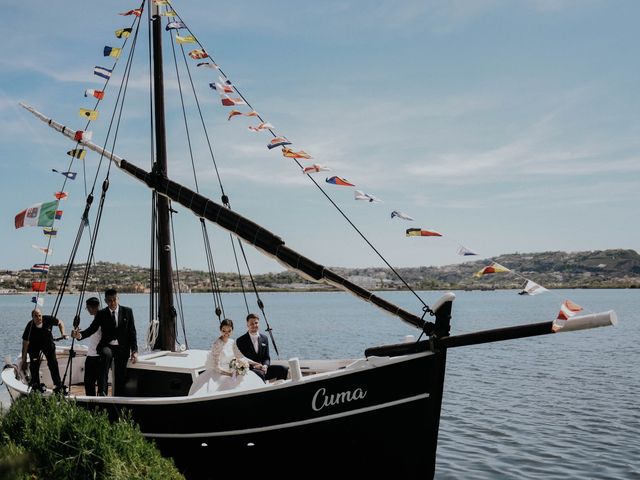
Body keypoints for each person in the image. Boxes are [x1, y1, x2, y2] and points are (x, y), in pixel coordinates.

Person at [72, 288, 137, 396]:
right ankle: (102, 394)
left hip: (122, 348)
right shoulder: (102, 314)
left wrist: (134, 350)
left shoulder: (128, 311)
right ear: (105, 301)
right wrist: (80, 335)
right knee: (104, 363)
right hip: (107, 346)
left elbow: (132, 332)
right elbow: (91, 329)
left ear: (118, 299)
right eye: (109, 300)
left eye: (114, 300)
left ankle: (119, 399)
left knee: (120, 375)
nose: (112, 303)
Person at [188, 319, 265, 396]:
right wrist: (229, 374)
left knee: (247, 377)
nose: (226, 333)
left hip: (232, 369)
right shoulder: (217, 344)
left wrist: (255, 363)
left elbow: (240, 357)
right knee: (229, 382)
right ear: (220, 330)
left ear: (232, 330)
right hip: (220, 372)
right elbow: (216, 367)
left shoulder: (232, 342)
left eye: (229, 331)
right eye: (224, 330)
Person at [20, 308, 68, 394]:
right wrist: (23, 361)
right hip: (34, 345)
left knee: (53, 363)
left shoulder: (48, 319)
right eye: (36, 316)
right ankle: (36, 384)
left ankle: (58, 385)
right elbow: (25, 344)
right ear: (32, 318)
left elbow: (60, 322)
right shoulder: (30, 326)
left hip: (47, 343)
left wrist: (63, 333)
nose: (38, 318)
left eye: (40, 315)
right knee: (34, 364)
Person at [236, 313, 289, 382]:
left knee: (284, 369)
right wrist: (254, 366)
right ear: (247, 325)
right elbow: (241, 360)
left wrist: (265, 366)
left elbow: (266, 357)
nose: (254, 325)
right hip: (250, 370)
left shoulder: (264, 338)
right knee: (260, 374)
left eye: (256, 323)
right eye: (252, 323)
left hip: (263, 368)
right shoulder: (240, 340)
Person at [80, 297, 104, 396]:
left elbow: (89, 331)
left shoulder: (100, 319)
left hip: (96, 357)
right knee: (93, 382)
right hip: (92, 355)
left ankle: (93, 403)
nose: (88, 310)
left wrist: (79, 335)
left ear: (91, 307)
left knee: (91, 382)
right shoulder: (98, 318)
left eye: (87, 308)